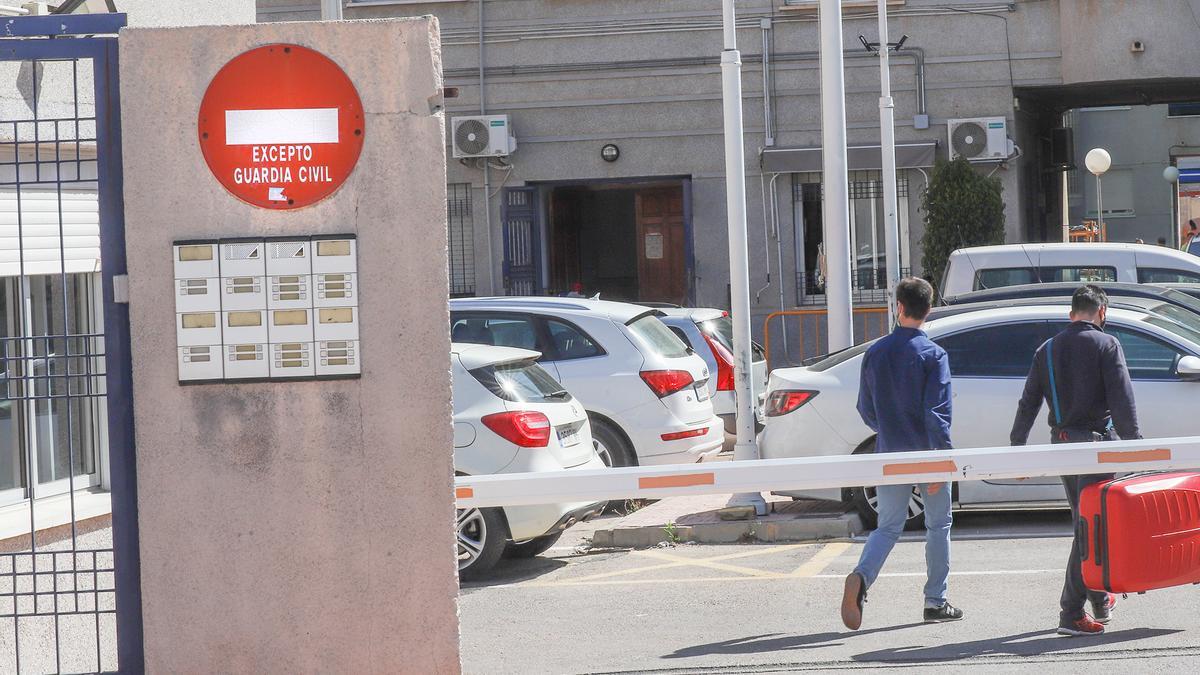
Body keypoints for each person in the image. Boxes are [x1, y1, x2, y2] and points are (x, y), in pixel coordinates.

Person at [1009, 284, 1139, 637]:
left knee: (1088, 524)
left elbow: (1029, 402)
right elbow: (1122, 399)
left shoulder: (1046, 349)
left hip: (1062, 445)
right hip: (1098, 447)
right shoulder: (1107, 344)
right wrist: (1135, 443)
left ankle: (1099, 600)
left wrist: (1016, 446)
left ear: (1071, 314)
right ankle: (1071, 612)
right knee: (1091, 529)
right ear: (1102, 313)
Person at [841, 277, 963, 630]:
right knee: (938, 525)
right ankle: (935, 601)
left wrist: (889, 429)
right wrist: (943, 461)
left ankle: (861, 578)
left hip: (889, 452)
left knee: (887, 527)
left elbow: (866, 408)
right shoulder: (934, 355)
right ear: (929, 311)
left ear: (898, 307)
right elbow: (937, 413)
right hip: (927, 454)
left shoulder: (875, 352)